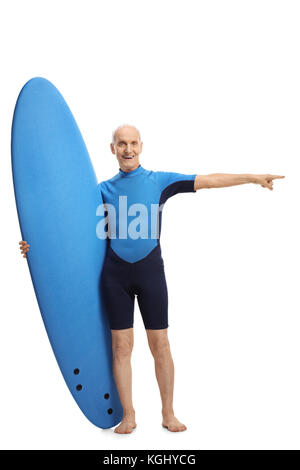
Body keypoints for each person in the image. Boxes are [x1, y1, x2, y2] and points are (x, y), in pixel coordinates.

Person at [19, 124, 285, 434]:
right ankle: (129, 415)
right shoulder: (100, 191)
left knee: (160, 344)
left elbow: (209, 180)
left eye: (132, 143)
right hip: (114, 276)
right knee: (121, 347)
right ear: (112, 148)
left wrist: (252, 178)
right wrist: (33, 248)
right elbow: (63, 224)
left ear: (141, 146)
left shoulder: (159, 181)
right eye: (121, 144)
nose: (127, 149)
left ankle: (168, 413)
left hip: (150, 275)